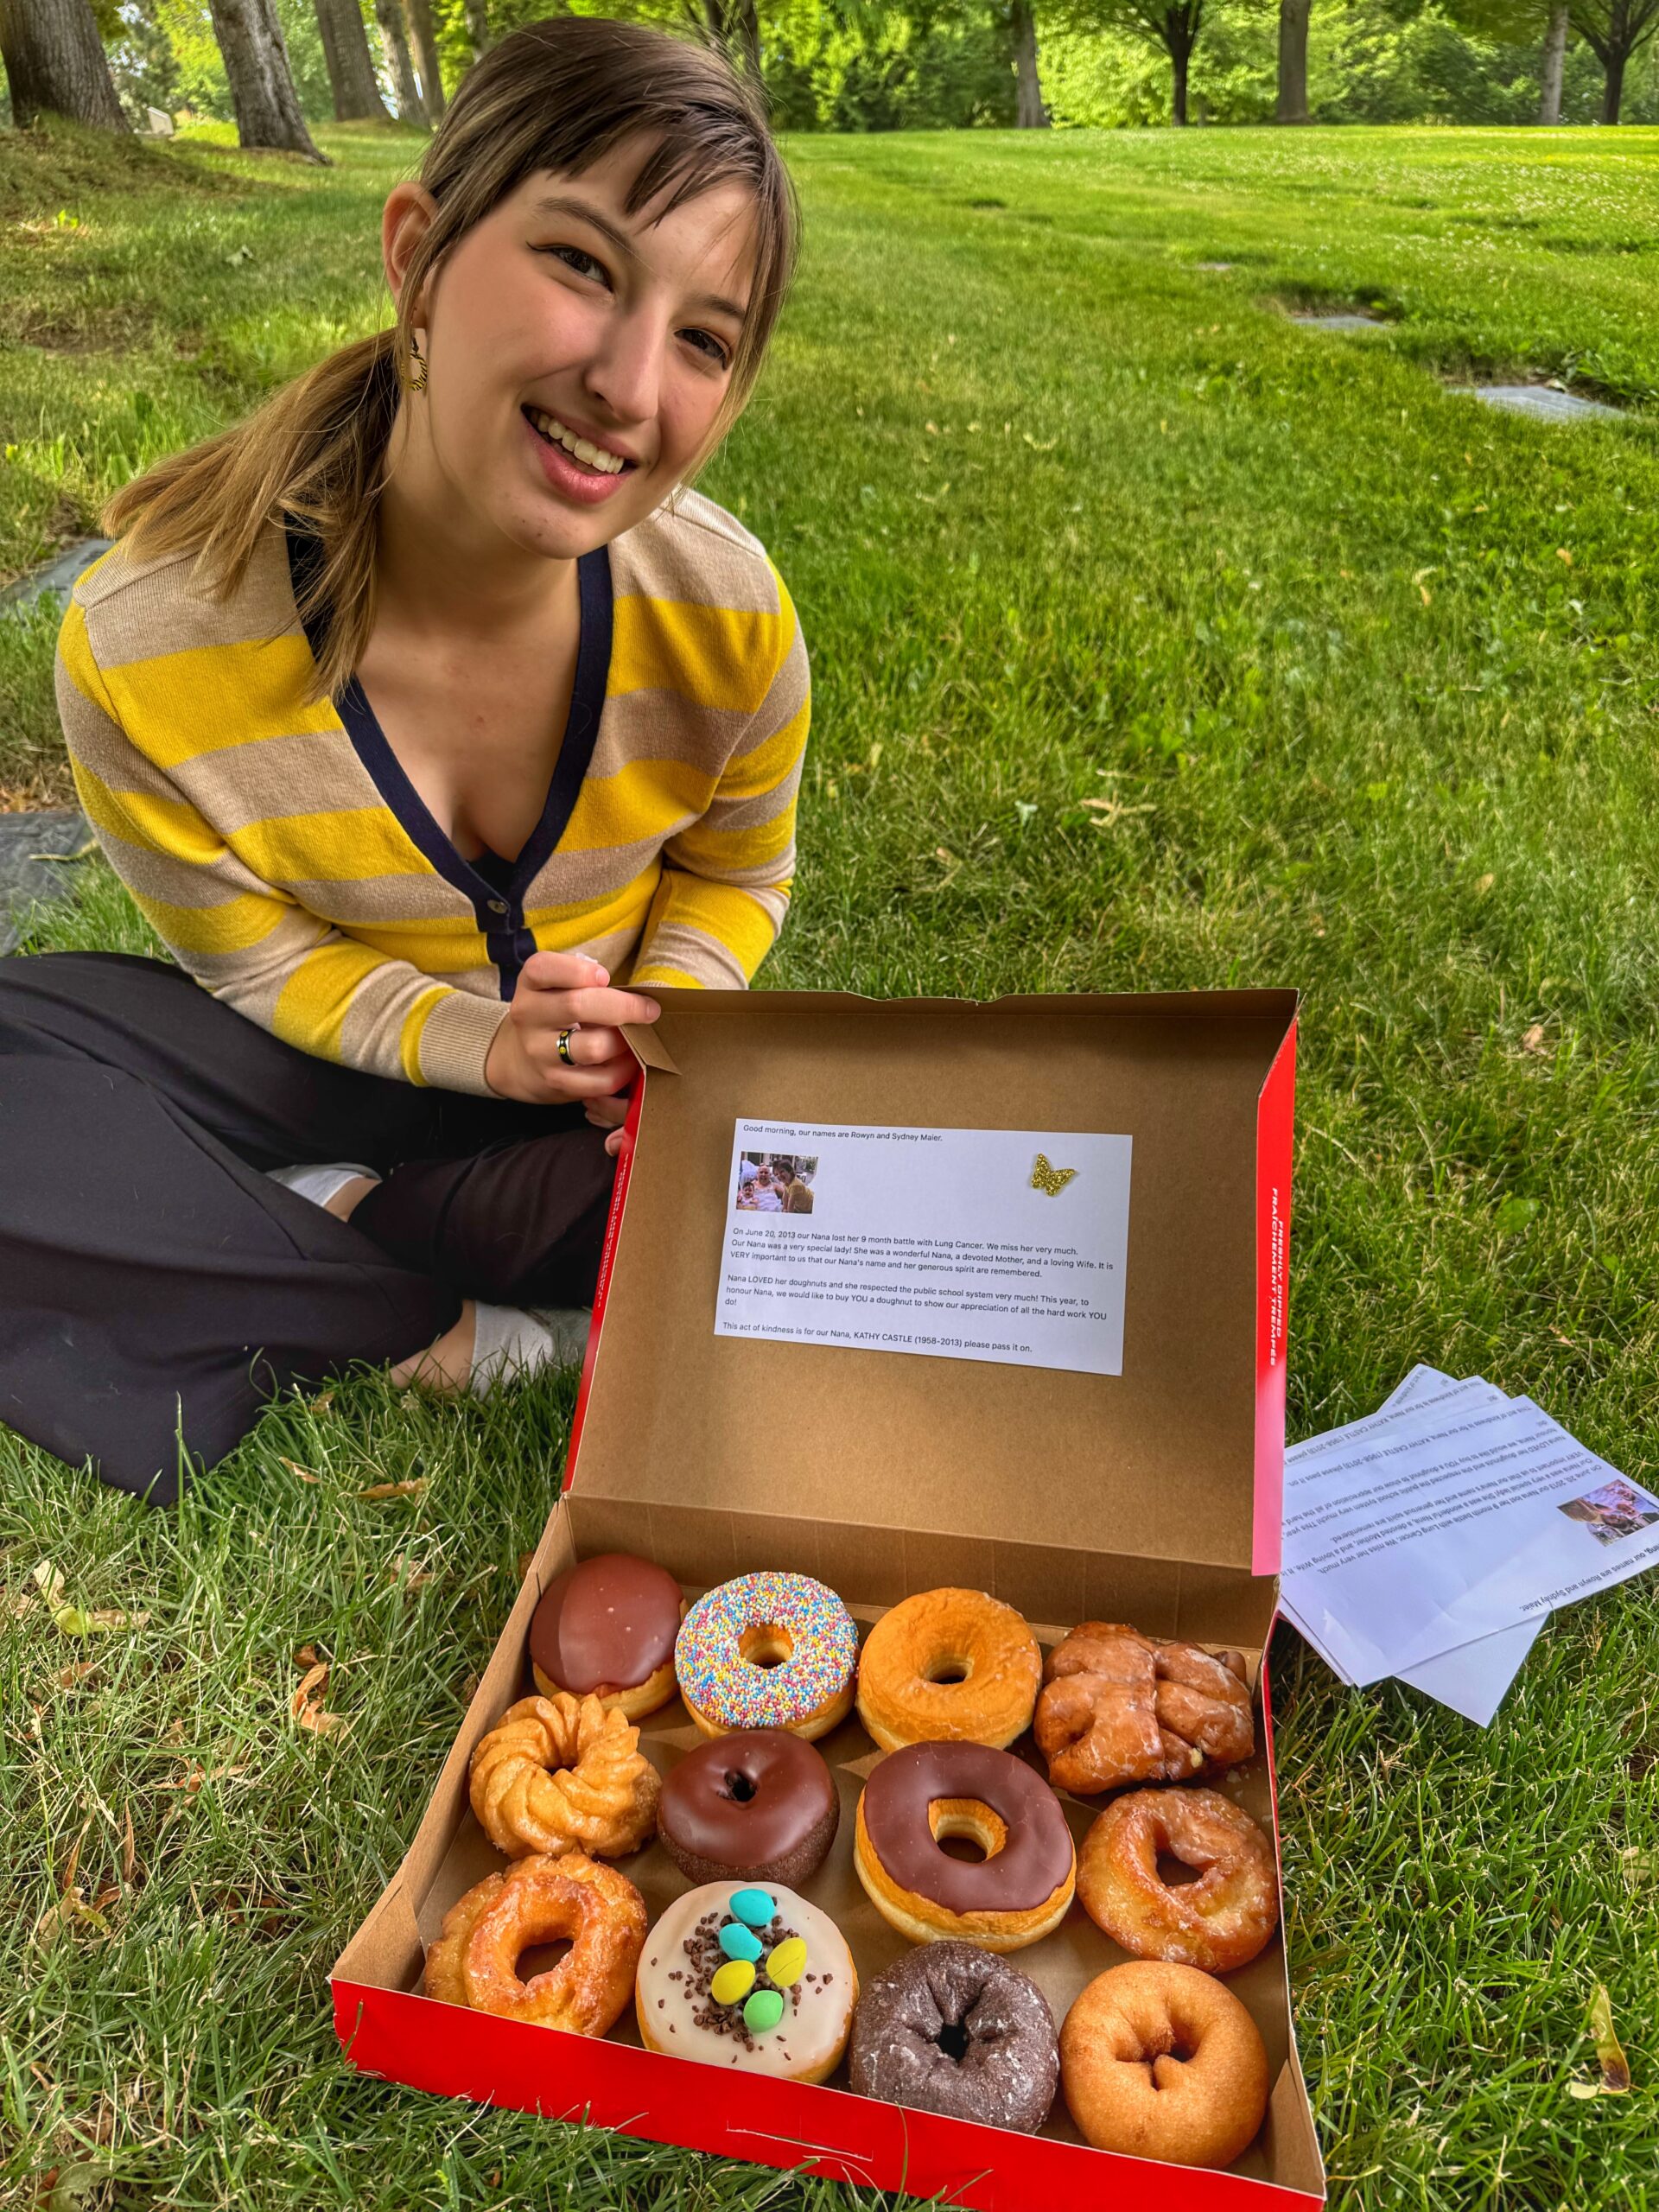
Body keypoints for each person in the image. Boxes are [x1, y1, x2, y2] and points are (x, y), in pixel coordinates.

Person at [0, 18, 807, 1503]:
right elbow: (252, 962)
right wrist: (472, 1043)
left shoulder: (729, 613)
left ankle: (309, 1233)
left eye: (705, 338)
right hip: (325, 1075)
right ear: (419, 255)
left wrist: (663, 1023)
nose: (631, 386)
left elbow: (735, 870)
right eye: (583, 264)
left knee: (794, 1195)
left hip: (593, 1127)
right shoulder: (144, 640)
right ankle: (447, 1322)